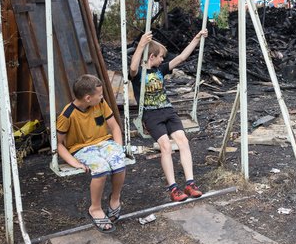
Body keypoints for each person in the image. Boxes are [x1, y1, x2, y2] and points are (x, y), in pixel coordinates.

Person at [130, 29, 208, 202]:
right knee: (166, 146)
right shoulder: (138, 74)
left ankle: (190, 183)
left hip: (168, 111)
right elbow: (133, 67)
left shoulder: (161, 69)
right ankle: (173, 188)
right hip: (151, 115)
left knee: (183, 141)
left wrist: (196, 39)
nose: (162, 60)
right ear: (151, 57)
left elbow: (181, 58)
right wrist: (141, 44)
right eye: (160, 57)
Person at [56, 74, 126, 233]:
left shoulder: (100, 104)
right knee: (101, 168)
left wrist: (118, 148)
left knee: (118, 161)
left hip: (104, 143)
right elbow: (58, 144)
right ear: (88, 98)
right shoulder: (67, 115)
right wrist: (74, 162)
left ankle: (115, 198)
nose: (102, 97)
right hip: (82, 148)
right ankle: (95, 208)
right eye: (100, 94)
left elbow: (115, 127)